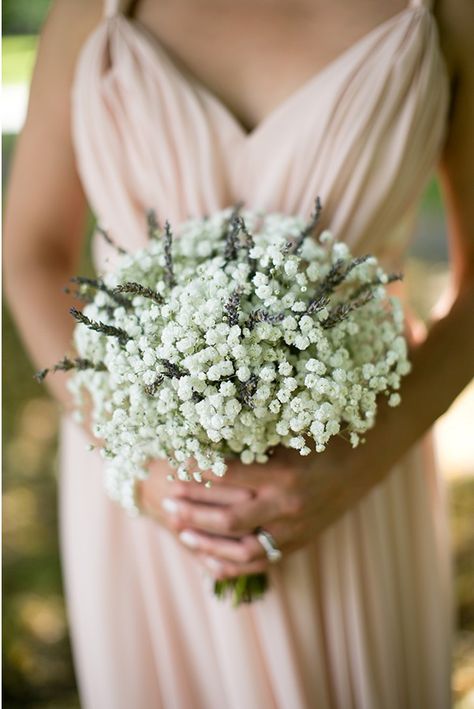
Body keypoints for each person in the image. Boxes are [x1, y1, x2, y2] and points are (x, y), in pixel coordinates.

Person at [4, 0, 473, 706]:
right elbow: (30, 254)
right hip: (151, 496)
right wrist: (141, 463)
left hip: (358, 478)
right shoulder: (90, 11)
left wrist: (355, 466)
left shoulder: (450, 13)